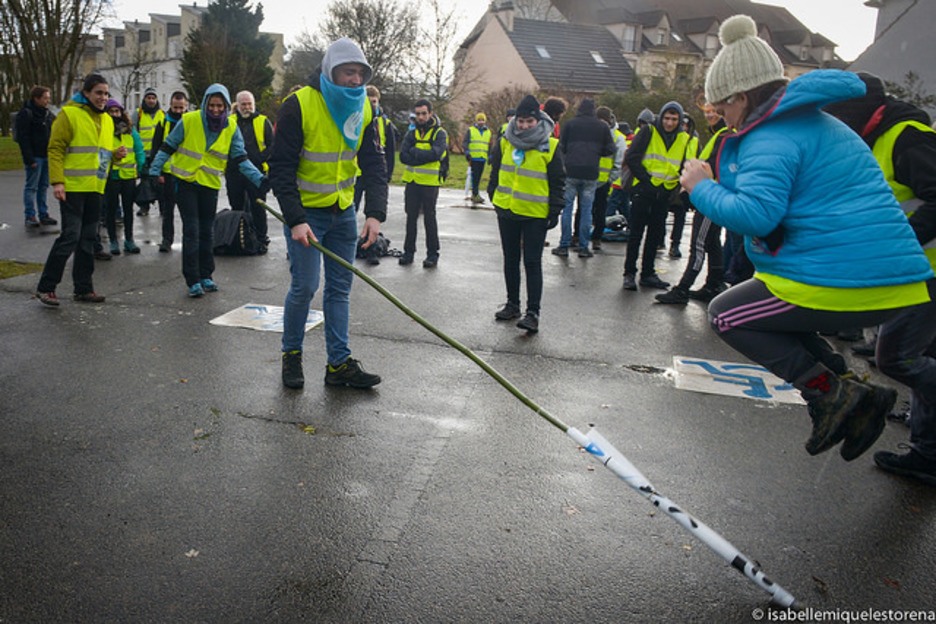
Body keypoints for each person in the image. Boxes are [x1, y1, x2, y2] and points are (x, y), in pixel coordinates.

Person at [680, 15, 933, 462]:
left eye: (722, 107)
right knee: (767, 313)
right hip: (884, 276)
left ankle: (831, 394)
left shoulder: (771, 136)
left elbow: (756, 217)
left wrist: (701, 186)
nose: (721, 117)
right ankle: (851, 390)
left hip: (847, 276)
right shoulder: (818, 124)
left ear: (742, 96)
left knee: (727, 315)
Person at [824, 72, 936, 482]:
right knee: (922, 357)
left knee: (896, 357)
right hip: (911, 269)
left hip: (924, 270)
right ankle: (928, 454)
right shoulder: (872, 137)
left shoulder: (907, 137)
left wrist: (899, 242)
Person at [268, 37, 387, 390]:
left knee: (339, 290)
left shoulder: (364, 107)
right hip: (308, 215)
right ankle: (292, 356)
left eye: (360, 74)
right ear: (329, 70)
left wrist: (375, 213)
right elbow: (281, 168)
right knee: (304, 287)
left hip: (343, 213)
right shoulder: (299, 105)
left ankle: (338, 365)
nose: (354, 80)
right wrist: (296, 218)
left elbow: (374, 163)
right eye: (347, 72)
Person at [148, 84, 267, 297]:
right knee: (192, 230)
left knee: (206, 231)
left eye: (219, 106)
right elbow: (167, 146)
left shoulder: (230, 127)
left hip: (209, 185)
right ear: (205, 104)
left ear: (225, 106)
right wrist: (153, 171)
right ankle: (192, 279)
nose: (215, 110)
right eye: (211, 105)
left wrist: (259, 179)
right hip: (186, 182)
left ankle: (206, 275)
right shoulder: (189, 120)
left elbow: (240, 158)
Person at [35, 74, 125, 306]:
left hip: (95, 188)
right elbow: (55, 149)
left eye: (106, 93)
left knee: (88, 239)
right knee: (70, 237)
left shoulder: (106, 120)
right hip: (72, 188)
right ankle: (46, 288)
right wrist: (57, 182)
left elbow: (100, 155)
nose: (103, 98)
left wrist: (115, 156)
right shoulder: (69, 114)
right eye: (98, 93)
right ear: (86, 93)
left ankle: (83, 289)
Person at [486, 94, 565, 334]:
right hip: (507, 209)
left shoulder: (550, 145)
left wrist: (555, 210)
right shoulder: (505, 141)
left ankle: (533, 313)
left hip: (535, 214)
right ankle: (512, 304)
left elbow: (558, 181)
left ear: (538, 120)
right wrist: (494, 195)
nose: (523, 125)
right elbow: (496, 171)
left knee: (532, 262)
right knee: (510, 260)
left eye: (529, 121)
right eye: (520, 121)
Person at [655, 105, 729, 305]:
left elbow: (712, 168)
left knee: (698, 243)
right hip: (714, 195)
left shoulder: (725, 135)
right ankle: (713, 284)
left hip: (711, 198)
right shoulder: (720, 133)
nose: (709, 115)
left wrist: (695, 187)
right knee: (712, 243)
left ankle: (682, 289)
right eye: (706, 111)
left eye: (713, 110)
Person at [622, 101, 691, 290]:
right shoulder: (649, 131)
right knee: (635, 233)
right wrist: (646, 181)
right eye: (667, 118)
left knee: (655, 235)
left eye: (674, 119)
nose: (669, 123)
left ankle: (648, 273)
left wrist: (674, 189)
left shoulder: (684, 138)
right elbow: (633, 157)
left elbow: (684, 164)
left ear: (680, 120)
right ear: (661, 117)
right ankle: (629, 273)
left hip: (664, 193)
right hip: (644, 191)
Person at [553, 98, 614, 258]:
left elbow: (562, 147)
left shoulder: (570, 124)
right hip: (591, 172)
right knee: (587, 210)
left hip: (572, 170)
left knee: (567, 209)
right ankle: (583, 247)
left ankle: (564, 245)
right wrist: (595, 152)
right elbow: (610, 149)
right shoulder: (601, 127)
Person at [399, 98, 448, 268]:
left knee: (430, 218)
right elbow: (403, 156)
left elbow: (436, 154)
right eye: (418, 114)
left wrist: (415, 153)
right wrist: (421, 156)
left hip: (429, 183)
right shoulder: (411, 133)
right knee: (410, 217)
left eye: (423, 114)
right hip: (412, 182)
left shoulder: (439, 133)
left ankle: (432, 254)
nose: (420, 117)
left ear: (431, 114)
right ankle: (408, 252)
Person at [226, 90, 275, 253]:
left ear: (254, 105)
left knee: (258, 207)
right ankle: (238, 237)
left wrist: (259, 159)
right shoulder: (230, 121)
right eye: (243, 104)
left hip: (257, 173)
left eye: (249, 104)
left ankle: (262, 239)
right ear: (237, 105)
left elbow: (272, 146)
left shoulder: (263, 121)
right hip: (234, 172)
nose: (247, 107)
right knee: (236, 206)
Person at [354, 84, 396, 265]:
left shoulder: (385, 124)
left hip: (375, 174)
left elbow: (391, 153)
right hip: (357, 174)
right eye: (368, 102)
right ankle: (353, 247)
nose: (372, 105)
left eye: (374, 102)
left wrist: (387, 176)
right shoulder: (357, 119)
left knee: (371, 215)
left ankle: (371, 250)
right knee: (351, 211)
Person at [102, 99, 145, 255]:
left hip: (128, 176)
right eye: (111, 111)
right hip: (111, 176)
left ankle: (129, 239)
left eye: (117, 111)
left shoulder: (130, 131)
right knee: (111, 210)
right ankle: (113, 241)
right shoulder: (104, 131)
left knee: (128, 210)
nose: (115, 114)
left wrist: (142, 167)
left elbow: (139, 150)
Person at [149, 91, 188, 253]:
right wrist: (157, 173)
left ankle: (189, 240)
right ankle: (167, 239)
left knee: (188, 211)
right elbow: (156, 148)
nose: (178, 111)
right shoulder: (163, 123)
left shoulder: (191, 122)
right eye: (175, 107)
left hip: (187, 174)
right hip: (167, 175)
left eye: (181, 108)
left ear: (186, 106)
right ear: (170, 105)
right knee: (167, 211)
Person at [16, 85, 57, 228]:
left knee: (43, 186)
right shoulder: (26, 114)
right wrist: (29, 159)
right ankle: (30, 215)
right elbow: (23, 138)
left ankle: (43, 213)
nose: (47, 101)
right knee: (32, 187)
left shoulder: (47, 114)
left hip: (46, 155)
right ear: (36, 98)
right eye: (45, 98)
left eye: (48, 98)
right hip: (35, 156)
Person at [589, 106, 627, 251]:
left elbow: (619, 162)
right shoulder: (590, 133)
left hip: (604, 181)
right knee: (584, 210)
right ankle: (578, 235)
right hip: (588, 178)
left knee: (600, 210)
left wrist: (610, 179)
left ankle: (597, 237)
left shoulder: (617, 137)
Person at [133, 87, 165, 216]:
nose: (151, 101)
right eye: (148, 98)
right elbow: (133, 133)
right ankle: (144, 207)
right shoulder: (138, 114)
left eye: (153, 98)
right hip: (144, 155)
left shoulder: (162, 114)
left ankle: (163, 208)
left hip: (159, 154)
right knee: (145, 182)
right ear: (144, 99)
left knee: (161, 182)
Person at [464, 112, 490, 205]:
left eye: (482, 120)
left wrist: (489, 155)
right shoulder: (471, 130)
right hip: (474, 157)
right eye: (479, 120)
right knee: (474, 177)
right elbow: (466, 142)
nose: (481, 122)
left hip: (482, 158)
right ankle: (475, 194)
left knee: (479, 177)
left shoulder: (488, 132)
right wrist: (467, 152)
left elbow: (489, 145)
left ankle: (475, 193)